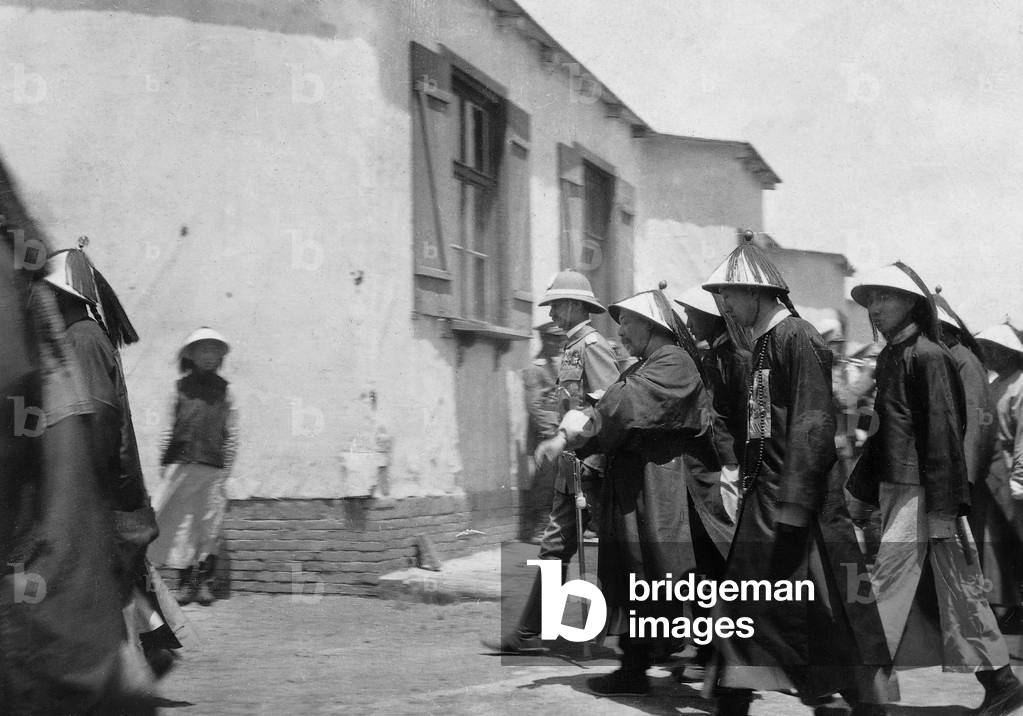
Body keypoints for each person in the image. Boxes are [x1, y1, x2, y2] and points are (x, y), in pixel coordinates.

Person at [700, 233, 890, 716]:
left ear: (758, 293)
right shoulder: (764, 343)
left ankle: (864, 700)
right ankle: (735, 698)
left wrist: (793, 506)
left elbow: (812, 422)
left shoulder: (796, 336)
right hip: (767, 498)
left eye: (729, 292)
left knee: (824, 609)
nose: (724, 303)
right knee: (754, 605)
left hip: (796, 503)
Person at [535, 288, 738, 696]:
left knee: (672, 577)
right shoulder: (651, 363)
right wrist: (575, 433)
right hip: (648, 488)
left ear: (651, 326)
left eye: (627, 324)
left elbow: (624, 407)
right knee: (644, 577)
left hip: (672, 493)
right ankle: (642, 667)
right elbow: (614, 404)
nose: (621, 333)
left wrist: (572, 435)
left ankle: (719, 670)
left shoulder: (674, 363)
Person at [847, 263, 1023, 716]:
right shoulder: (891, 357)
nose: (877, 308)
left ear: (912, 304)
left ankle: (868, 699)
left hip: (921, 493)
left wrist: (944, 508)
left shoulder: (930, 356)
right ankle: (1002, 682)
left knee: (883, 588)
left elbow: (944, 436)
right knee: (958, 588)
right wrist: (861, 492)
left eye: (887, 298)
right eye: (873, 300)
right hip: (898, 488)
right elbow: (885, 434)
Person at [41, 244, 185, 704]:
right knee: (119, 574)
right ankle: (154, 645)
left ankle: (135, 661)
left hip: (104, 485)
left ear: (62, 295)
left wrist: (81, 480)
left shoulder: (82, 339)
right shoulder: (86, 335)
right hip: (113, 485)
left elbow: (97, 418)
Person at [485, 269, 619, 654]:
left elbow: (607, 403)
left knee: (585, 548)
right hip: (573, 463)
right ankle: (537, 632)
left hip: (590, 464)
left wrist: (564, 437)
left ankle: (545, 633)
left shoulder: (592, 345)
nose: (554, 314)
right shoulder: (575, 347)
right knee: (557, 547)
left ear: (577, 306)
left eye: (558, 306)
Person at [150, 327, 238, 607]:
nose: (209, 356)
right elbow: (167, 428)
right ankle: (184, 583)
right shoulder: (178, 389)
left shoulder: (226, 392)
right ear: (192, 355)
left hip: (212, 468)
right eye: (203, 350)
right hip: (182, 465)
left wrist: (226, 471)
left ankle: (205, 584)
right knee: (179, 524)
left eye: (213, 351)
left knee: (208, 526)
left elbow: (232, 434)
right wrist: (165, 464)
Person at [675, 282, 747, 520]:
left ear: (710, 316)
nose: (688, 325)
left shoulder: (735, 360)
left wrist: (732, 465)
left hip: (733, 467)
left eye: (691, 315)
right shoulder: (716, 358)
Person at [973, 324, 1023, 634]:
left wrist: (1020, 478)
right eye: (986, 349)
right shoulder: (995, 386)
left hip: (1012, 480)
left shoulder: (1020, 386)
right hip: (992, 477)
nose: (990, 355)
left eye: (995, 349)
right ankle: (1007, 607)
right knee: (996, 546)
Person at [933, 286, 997, 489]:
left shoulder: (964, 362)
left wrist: (966, 476)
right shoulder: (943, 359)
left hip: (963, 477)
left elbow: (977, 418)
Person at [521, 321, 565, 539]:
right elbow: (534, 405)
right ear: (545, 340)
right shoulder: (534, 369)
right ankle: (538, 526)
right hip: (542, 434)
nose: (559, 344)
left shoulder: (555, 366)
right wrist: (549, 432)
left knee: (559, 478)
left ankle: (551, 524)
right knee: (545, 480)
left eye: (560, 339)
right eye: (555, 340)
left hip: (556, 431)